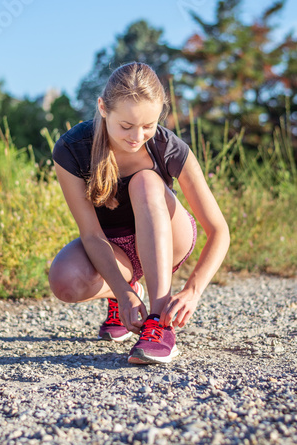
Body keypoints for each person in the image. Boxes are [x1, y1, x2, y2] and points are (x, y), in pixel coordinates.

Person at [49, 62, 230, 365]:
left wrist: (192, 291)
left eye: (148, 125)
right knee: (64, 280)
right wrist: (122, 291)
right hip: (114, 249)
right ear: (103, 108)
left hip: (169, 237)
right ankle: (129, 294)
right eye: (126, 126)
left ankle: (159, 322)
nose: (137, 136)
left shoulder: (167, 147)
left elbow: (219, 230)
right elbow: (92, 235)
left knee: (145, 180)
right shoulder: (71, 149)